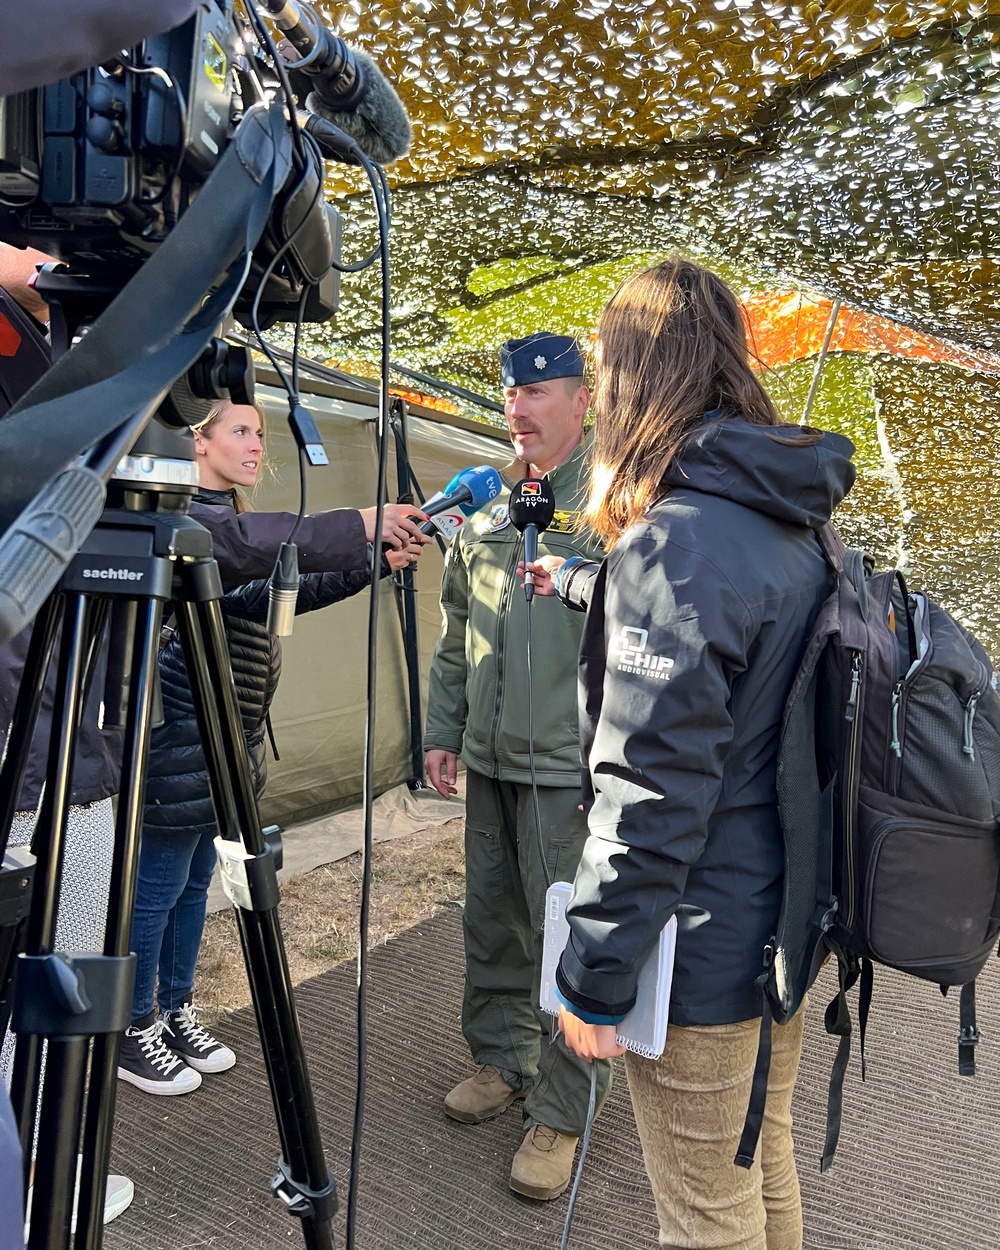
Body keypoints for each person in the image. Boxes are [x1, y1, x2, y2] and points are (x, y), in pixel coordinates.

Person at [547, 258, 856, 1250]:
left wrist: (594, 970)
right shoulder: (797, 525)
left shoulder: (674, 542)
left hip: (702, 946)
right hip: (784, 919)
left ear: (630, 378)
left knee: (706, 1213)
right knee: (755, 1173)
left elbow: (651, 789)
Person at [116, 399, 429, 1093]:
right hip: (180, 736)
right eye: (240, 431)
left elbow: (276, 589)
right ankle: (131, 1028)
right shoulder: (182, 517)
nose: (258, 445)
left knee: (197, 881)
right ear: (195, 442)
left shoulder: (233, 525)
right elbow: (246, 553)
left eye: (260, 432)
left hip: (229, 734)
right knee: (160, 885)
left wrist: (374, 559)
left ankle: (172, 1008)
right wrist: (357, 525)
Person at [423, 332, 612, 1202]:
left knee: (566, 940)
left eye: (538, 395)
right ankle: (504, 1057)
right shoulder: (491, 500)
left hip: (568, 769)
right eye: (510, 395)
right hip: (493, 763)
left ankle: (563, 1111)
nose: (518, 409)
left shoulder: (617, 507)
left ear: (583, 401)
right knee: (492, 918)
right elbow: (458, 628)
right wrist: (444, 729)